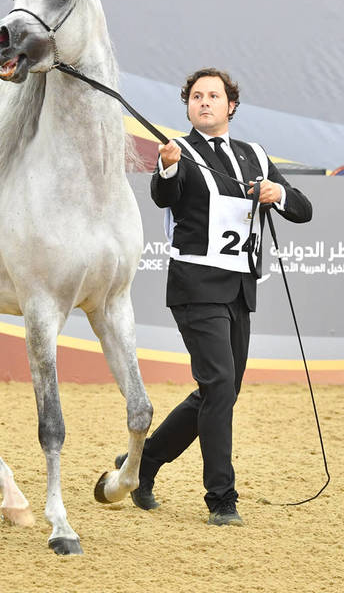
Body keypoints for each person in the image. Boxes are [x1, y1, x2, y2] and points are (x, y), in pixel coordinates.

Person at [115, 68, 312, 526]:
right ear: (187, 107)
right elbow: (166, 195)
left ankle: (144, 464)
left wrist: (276, 191)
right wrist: (165, 166)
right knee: (220, 386)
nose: (204, 102)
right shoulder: (179, 151)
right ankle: (221, 498)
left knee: (220, 390)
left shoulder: (255, 155)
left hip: (240, 289)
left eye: (214, 96)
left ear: (231, 106)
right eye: (196, 96)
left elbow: (302, 209)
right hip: (196, 286)